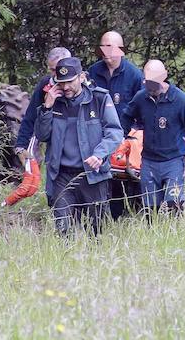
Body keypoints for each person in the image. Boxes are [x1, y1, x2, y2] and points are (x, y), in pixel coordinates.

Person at [35, 57, 123, 235]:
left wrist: (99, 154)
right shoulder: (53, 102)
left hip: (92, 175)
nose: (65, 87)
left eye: (69, 82)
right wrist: (46, 107)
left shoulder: (99, 98)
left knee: (96, 232)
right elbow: (42, 135)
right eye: (61, 83)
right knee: (63, 231)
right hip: (61, 176)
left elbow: (115, 132)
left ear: (81, 77)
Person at [122, 60, 185, 216]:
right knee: (150, 208)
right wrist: (120, 139)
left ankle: (174, 236)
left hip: (173, 161)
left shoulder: (181, 100)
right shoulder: (140, 98)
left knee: (174, 205)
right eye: (147, 81)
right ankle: (153, 237)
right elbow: (126, 118)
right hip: (148, 161)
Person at [87, 31, 143, 218]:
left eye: (111, 47)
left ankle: (134, 213)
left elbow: (142, 106)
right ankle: (105, 216)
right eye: (104, 46)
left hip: (126, 137)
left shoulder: (135, 75)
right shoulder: (93, 72)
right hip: (99, 136)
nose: (107, 51)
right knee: (104, 179)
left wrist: (135, 132)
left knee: (129, 178)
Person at [14, 47, 71, 166]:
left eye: (58, 70)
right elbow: (30, 116)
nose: (55, 75)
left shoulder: (84, 84)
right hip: (55, 148)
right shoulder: (45, 85)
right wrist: (21, 145)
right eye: (52, 70)